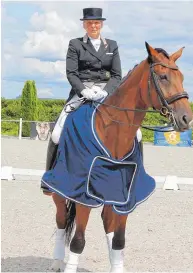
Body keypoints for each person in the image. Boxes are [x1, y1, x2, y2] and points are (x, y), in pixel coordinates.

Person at [42, 7, 123, 270]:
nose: (93, 26)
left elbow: (118, 76)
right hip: (81, 94)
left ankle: (129, 177)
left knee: (137, 133)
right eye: (90, 23)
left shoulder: (112, 46)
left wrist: (105, 91)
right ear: (85, 25)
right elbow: (71, 73)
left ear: (101, 24)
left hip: (106, 97)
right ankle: (50, 177)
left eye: (97, 22)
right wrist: (85, 90)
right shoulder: (75, 44)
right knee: (57, 131)